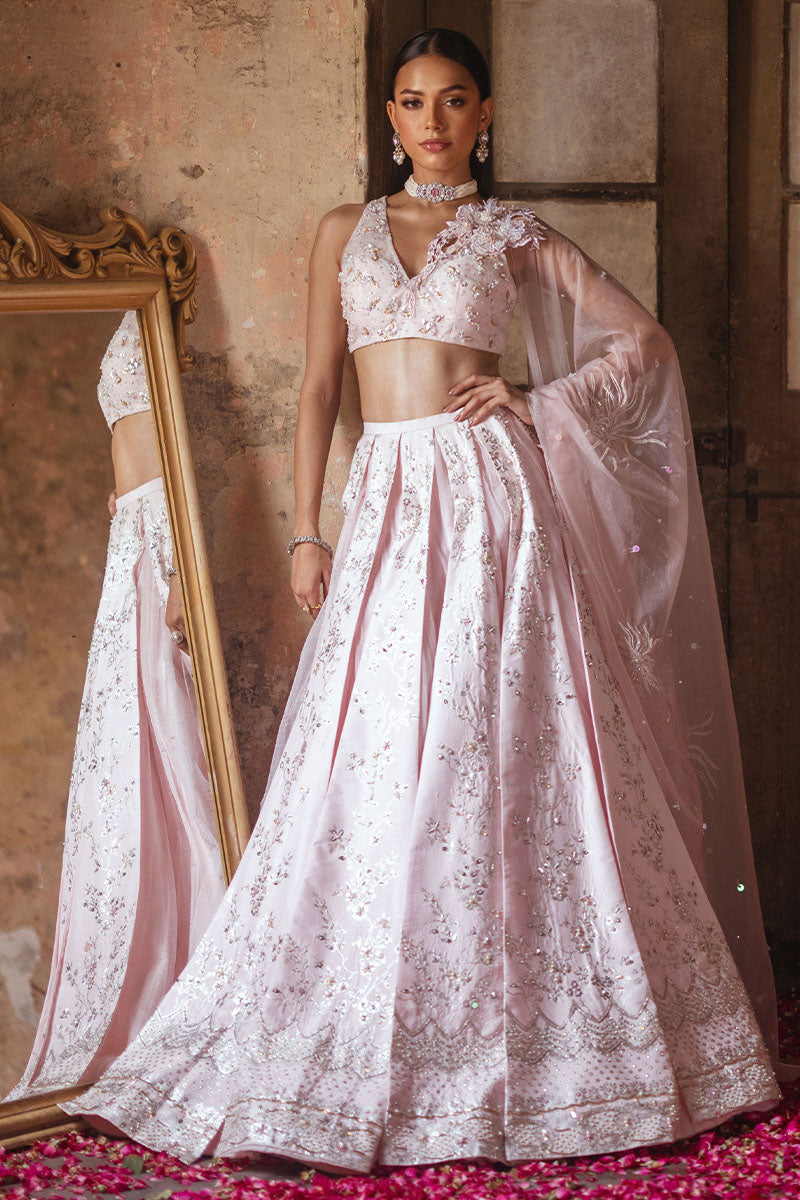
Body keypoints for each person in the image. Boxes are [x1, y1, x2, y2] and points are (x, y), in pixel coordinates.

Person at [63, 29, 792, 1171]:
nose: (432, 121)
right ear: (390, 116)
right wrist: (307, 528)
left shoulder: (511, 233)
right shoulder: (341, 231)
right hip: (386, 505)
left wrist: (535, 399)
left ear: (483, 115)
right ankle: (379, 1009)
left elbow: (642, 345)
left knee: (506, 739)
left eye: (454, 101)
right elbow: (318, 390)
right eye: (412, 102)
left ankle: (550, 1033)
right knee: (373, 737)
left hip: (494, 505)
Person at [6, 311, 225, 1100]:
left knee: (178, 745)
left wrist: (181, 561)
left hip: (163, 529)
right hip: (132, 527)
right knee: (128, 746)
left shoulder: (174, 312)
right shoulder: (135, 310)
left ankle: (210, 972)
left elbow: (189, 440)